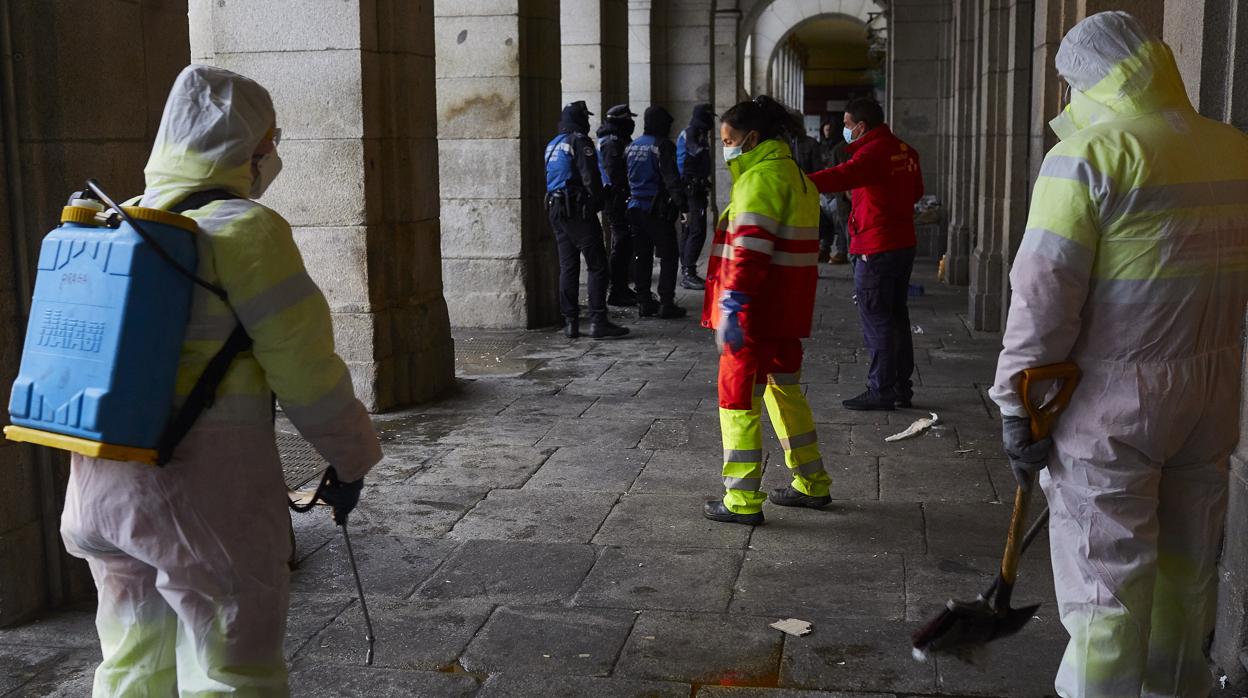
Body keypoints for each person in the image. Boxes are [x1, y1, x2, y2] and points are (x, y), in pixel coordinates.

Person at [58, 64, 382, 696]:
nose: (274, 156)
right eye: (270, 141)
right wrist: (351, 457)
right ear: (244, 149)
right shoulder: (247, 231)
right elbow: (305, 372)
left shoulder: (116, 222)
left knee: (130, 662)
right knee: (231, 670)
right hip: (204, 498)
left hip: (103, 483)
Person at [990, 12, 1248, 697]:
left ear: (1088, 80)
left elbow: (1044, 294)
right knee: (1184, 579)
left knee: (1107, 591)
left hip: (1114, 404)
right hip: (1213, 389)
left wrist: (1018, 404)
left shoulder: (1091, 156)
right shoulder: (1233, 148)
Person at [701, 95, 832, 526]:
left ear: (751, 137)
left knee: (737, 398)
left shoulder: (759, 179)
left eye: (729, 139)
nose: (726, 148)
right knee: (785, 392)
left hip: (753, 315)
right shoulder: (798, 178)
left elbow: (749, 251)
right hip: (786, 313)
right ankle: (812, 482)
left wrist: (733, 304)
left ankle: (740, 500)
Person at [808, 97, 923, 411]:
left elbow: (840, 175)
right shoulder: (905, 151)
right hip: (902, 243)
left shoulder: (873, 152)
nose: (844, 130)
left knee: (877, 319)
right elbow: (916, 192)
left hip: (876, 245)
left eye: (846, 124)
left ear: (861, 125)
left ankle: (881, 389)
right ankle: (901, 387)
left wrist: (799, 183)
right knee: (896, 316)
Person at [545, 101, 630, 339]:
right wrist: (599, 202)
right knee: (597, 264)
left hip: (556, 209)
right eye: (586, 117)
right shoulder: (579, 141)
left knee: (568, 266)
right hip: (577, 210)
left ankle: (570, 322)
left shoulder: (553, 144)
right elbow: (590, 176)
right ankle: (598, 320)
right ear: (580, 118)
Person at [626, 106, 687, 319]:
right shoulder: (662, 145)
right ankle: (666, 302)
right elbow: (671, 178)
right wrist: (683, 206)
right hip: (656, 209)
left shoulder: (633, 146)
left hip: (634, 207)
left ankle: (644, 301)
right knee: (669, 255)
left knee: (642, 255)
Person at [598, 104, 639, 307]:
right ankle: (617, 290)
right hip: (615, 200)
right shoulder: (612, 143)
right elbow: (615, 175)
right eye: (628, 119)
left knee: (624, 243)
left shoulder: (618, 140)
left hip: (619, 198)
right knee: (621, 243)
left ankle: (621, 287)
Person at [676, 103, 715, 291]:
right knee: (696, 230)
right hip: (691, 189)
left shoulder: (697, 131)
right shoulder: (692, 133)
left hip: (693, 188)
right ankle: (688, 272)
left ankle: (686, 269)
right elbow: (694, 153)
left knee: (691, 229)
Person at [817, 119, 851, 265]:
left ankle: (847, 252)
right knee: (837, 222)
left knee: (843, 223)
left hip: (844, 194)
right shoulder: (835, 148)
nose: (828, 132)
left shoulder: (843, 148)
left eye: (848, 124)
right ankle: (839, 250)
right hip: (838, 194)